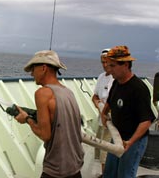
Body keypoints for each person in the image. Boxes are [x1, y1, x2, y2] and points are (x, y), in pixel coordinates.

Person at [14, 50, 84, 178]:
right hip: (75, 167)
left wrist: (27, 119)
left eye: (33, 69)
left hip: (56, 170)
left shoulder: (42, 93)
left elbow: (45, 135)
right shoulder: (68, 92)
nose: (31, 74)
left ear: (43, 68)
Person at [101, 46, 156, 178]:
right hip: (117, 137)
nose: (109, 69)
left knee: (125, 174)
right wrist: (104, 113)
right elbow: (109, 102)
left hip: (133, 141)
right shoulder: (116, 83)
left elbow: (146, 121)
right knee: (109, 173)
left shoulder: (139, 89)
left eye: (113, 66)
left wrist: (130, 142)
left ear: (125, 65)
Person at [92, 49, 114, 177]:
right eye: (102, 62)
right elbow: (94, 96)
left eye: (107, 62)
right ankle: (104, 174)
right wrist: (99, 105)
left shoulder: (115, 78)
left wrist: (104, 109)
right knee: (100, 149)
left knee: (106, 152)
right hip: (101, 119)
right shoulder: (101, 77)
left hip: (111, 121)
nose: (105, 65)